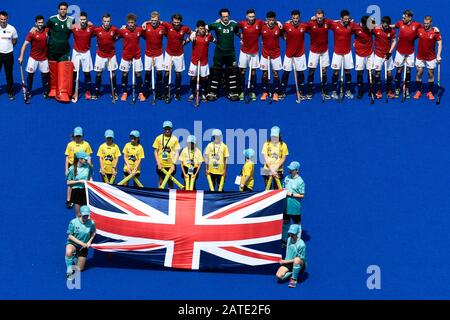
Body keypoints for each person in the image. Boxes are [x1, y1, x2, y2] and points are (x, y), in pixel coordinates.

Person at [206, 8, 240, 101]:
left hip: (231, 53)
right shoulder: (216, 25)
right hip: (219, 53)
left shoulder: (234, 24)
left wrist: (242, 38)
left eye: (226, 16)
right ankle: (213, 92)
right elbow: (204, 28)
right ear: (220, 17)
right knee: (216, 72)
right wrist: (212, 39)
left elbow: (239, 31)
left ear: (229, 16)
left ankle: (232, 92)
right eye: (223, 16)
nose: (225, 18)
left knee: (232, 72)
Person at [45, 2, 74, 99]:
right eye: (61, 9)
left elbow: (78, 29)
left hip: (64, 51)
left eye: (65, 9)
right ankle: (53, 89)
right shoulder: (52, 19)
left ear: (67, 10)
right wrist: (34, 28)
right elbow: (45, 29)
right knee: (52, 71)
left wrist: (88, 24)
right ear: (58, 10)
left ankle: (62, 91)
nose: (63, 11)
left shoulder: (71, 20)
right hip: (52, 50)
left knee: (63, 71)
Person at [18, 15, 49, 101]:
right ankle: (29, 91)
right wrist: (21, 56)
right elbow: (24, 45)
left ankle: (46, 91)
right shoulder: (32, 33)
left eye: (42, 22)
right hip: (33, 59)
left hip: (44, 59)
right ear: (36, 23)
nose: (40, 24)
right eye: (39, 22)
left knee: (45, 76)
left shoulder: (47, 30)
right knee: (30, 76)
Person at [392, 10, 422, 99]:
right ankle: (397, 88)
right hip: (400, 52)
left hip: (410, 52)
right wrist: (379, 26)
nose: (403, 19)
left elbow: (425, 27)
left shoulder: (416, 25)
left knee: (408, 71)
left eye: (404, 17)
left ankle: (406, 88)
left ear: (410, 17)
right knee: (399, 70)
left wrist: (434, 28)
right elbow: (392, 26)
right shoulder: (400, 23)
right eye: (403, 17)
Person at [161, 14, 191, 102]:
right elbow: (156, 21)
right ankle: (166, 93)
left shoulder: (185, 28)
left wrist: (186, 41)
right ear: (172, 21)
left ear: (180, 22)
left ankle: (177, 93)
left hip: (179, 55)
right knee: (167, 73)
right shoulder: (168, 25)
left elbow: (193, 33)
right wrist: (145, 22)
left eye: (178, 22)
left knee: (178, 74)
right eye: (174, 22)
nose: (176, 24)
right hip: (169, 54)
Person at [280, 10, 308, 100]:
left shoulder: (304, 26)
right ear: (291, 17)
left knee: (301, 73)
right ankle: (283, 92)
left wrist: (314, 18)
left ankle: (301, 92)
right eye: (294, 18)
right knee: (286, 73)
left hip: (300, 55)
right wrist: (283, 36)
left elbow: (313, 28)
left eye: (297, 18)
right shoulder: (286, 25)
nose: (295, 20)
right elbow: (279, 30)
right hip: (289, 54)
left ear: (299, 18)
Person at [306, 9, 333, 99]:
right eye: (318, 18)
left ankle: (325, 91)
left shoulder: (327, 22)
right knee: (311, 72)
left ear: (323, 16)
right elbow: (301, 26)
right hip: (314, 52)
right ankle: (309, 91)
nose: (319, 19)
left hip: (324, 52)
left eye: (321, 18)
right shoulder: (310, 23)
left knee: (324, 71)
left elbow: (337, 23)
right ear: (315, 17)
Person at [414, 15, 442, 101]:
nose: (425, 25)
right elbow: (411, 37)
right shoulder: (419, 30)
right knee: (419, 73)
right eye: (424, 23)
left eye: (427, 23)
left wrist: (438, 55)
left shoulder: (435, 32)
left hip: (431, 57)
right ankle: (419, 91)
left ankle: (429, 92)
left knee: (431, 74)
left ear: (431, 23)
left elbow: (440, 43)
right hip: (420, 57)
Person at [330, 9, 356, 100]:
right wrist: (313, 18)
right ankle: (333, 91)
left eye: (348, 19)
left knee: (348, 72)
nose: (347, 20)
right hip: (337, 53)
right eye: (345, 19)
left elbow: (360, 28)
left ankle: (348, 90)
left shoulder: (351, 24)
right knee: (336, 72)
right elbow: (323, 22)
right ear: (341, 18)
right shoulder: (334, 24)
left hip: (347, 53)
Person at [118, 13, 144, 102]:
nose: (131, 24)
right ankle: (125, 92)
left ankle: (140, 92)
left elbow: (148, 35)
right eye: (129, 22)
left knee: (138, 74)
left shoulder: (139, 30)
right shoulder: (122, 31)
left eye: (132, 22)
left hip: (137, 56)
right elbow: (113, 37)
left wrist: (146, 22)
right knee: (124, 74)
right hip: (126, 56)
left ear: (135, 22)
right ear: (127, 22)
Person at [92, 13, 119, 100]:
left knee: (113, 73)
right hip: (100, 55)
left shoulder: (114, 29)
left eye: (108, 21)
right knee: (99, 73)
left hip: (111, 55)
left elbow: (119, 35)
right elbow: (89, 34)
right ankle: (97, 92)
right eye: (105, 21)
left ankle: (114, 91)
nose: (106, 23)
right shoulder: (97, 30)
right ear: (102, 21)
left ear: (110, 21)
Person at [65, 205, 96, 280]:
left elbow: (93, 232)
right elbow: (70, 236)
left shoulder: (91, 223)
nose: (86, 217)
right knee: (69, 252)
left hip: (83, 247)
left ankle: (76, 257)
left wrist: (89, 241)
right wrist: (81, 243)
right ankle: (69, 269)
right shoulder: (73, 222)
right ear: (81, 214)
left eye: (87, 215)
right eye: (84, 215)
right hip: (73, 244)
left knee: (79, 269)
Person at [187, 20, 215, 102]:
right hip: (194, 61)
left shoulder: (208, 36)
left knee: (204, 78)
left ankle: (203, 93)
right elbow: (184, 42)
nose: (202, 30)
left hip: (204, 61)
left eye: (203, 29)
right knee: (193, 78)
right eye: (200, 29)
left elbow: (217, 42)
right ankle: (192, 93)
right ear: (197, 29)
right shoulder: (193, 36)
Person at [238, 9, 263, 101]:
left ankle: (252, 91)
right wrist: (240, 36)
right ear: (246, 16)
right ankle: (241, 91)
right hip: (244, 52)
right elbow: (233, 26)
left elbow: (270, 22)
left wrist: (278, 22)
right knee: (242, 72)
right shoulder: (242, 23)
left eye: (253, 16)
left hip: (254, 52)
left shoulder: (259, 22)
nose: (251, 18)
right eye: (250, 16)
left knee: (253, 72)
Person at [64, 127, 93, 209]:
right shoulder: (70, 145)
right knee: (70, 184)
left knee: (85, 182)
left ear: (82, 136)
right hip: (72, 166)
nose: (78, 138)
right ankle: (69, 200)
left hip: (83, 166)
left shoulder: (86, 144)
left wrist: (90, 168)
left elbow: (89, 157)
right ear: (74, 136)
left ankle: (86, 198)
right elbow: (67, 157)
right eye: (76, 136)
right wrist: (66, 169)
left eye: (79, 136)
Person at [141, 11, 166, 100]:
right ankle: (146, 92)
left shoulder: (163, 28)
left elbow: (170, 33)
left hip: (159, 55)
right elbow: (139, 33)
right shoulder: (146, 27)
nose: (153, 22)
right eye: (152, 20)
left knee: (159, 73)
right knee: (148, 73)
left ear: (158, 20)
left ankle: (159, 93)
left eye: (155, 20)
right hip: (148, 54)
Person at [71, 11, 95, 100]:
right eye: (81, 19)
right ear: (78, 20)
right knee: (74, 72)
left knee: (86, 72)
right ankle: (74, 90)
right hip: (76, 52)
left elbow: (100, 32)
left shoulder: (91, 28)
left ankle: (88, 90)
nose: (83, 21)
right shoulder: (74, 27)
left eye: (84, 19)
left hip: (86, 53)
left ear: (87, 20)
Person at [260, 11, 283, 102]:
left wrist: (279, 23)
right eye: (269, 20)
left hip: (276, 55)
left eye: (273, 20)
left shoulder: (279, 27)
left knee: (275, 74)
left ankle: (276, 93)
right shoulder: (262, 27)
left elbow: (285, 37)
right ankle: (265, 91)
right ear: (266, 20)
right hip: (265, 55)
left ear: (275, 20)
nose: (271, 22)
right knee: (264, 74)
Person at [276, 224, 306, 288]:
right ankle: (292, 272)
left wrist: (285, 262)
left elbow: (301, 259)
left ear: (297, 233)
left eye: (293, 234)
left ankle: (294, 280)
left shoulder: (302, 244)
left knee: (297, 260)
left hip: (299, 264)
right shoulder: (289, 239)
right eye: (290, 233)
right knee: (279, 276)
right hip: (288, 262)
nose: (291, 236)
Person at [373, 16, 396, 99]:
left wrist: (390, 52)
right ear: (382, 23)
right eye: (384, 25)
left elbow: (394, 41)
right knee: (377, 74)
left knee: (389, 74)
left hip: (387, 55)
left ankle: (389, 90)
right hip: (378, 55)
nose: (385, 27)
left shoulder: (392, 31)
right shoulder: (376, 29)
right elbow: (364, 25)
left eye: (387, 25)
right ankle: (378, 90)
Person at [352, 16, 375, 99]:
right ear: (363, 24)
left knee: (371, 72)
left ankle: (371, 90)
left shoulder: (371, 27)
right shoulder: (355, 27)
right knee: (360, 73)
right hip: (359, 54)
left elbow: (380, 28)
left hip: (369, 54)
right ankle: (360, 91)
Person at [282, 161, 305, 242]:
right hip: (286, 206)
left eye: (292, 169)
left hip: (295, 207)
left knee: (297, 224)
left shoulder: (300, 181)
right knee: (285, 222)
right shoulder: (287, 178)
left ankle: (297, 240)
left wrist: (291, 194)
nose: (290, 170)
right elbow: (283, 188)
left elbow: (302, 195)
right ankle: (284, 239)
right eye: (290, 169)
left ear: (297, 170)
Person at [153, 121, 180, 188]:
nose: (167, 130)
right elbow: (155, 151)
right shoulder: (158, 138)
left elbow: (177, 152)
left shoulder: (174, 139)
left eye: (169, 128)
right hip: (161, 164)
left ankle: (170, 198)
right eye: (166, 128)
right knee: (161, 181)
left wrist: (174, 164)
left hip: (171, 165)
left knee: (170, 183)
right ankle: (159, 198)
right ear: (163, 129)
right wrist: (158, 163)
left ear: (171, 129)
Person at [66, 151, 94, 217]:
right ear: (80, 159)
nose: (87, 160)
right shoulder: (72, 169)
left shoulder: (88, 167)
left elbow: (90, 177)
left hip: (85, 191)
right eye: (85, 159)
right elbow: (68, 182)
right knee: (78, 214)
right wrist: (79, 181)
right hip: (76, 192)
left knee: (86, 213)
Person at [0, 10, 18, 100]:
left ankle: (10, 92)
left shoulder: (12, 29)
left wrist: (9, 47)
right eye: (1, 19)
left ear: (7, 19)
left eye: (4, 19)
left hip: (9, 55)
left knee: (9, 74)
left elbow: (15, 40)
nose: (3, 21)